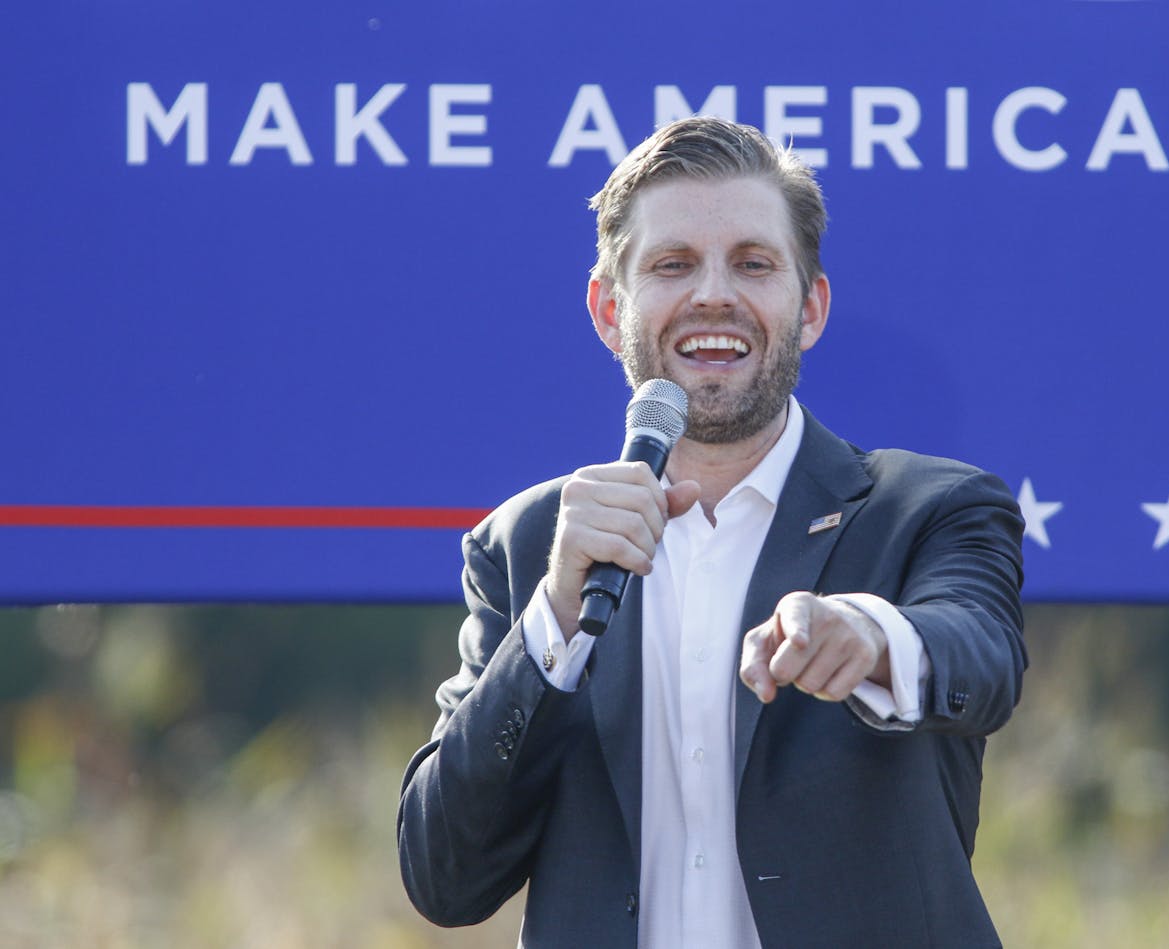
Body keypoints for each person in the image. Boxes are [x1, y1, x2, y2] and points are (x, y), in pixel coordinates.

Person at [397, 116, 1026, 948]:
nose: (714, 295)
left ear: (809, 308)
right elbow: (445, 874)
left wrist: (870, 635)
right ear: (607, 308)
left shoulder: (931, 508)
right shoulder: (528, 545)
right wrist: (551, 620)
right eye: (673, 264)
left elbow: (979, 652)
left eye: (754, 264)